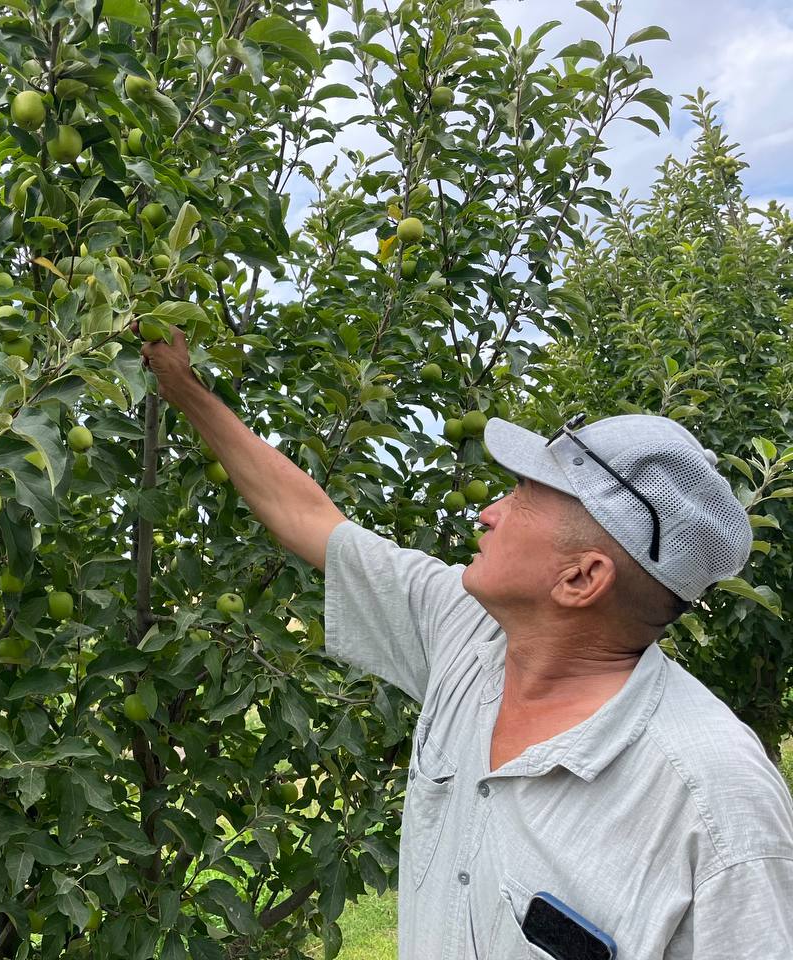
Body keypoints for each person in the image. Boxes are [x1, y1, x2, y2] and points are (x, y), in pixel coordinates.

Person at [136, 321, 793, 959]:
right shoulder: (465, 633)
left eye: (524, 493)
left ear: (582, 576)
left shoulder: (712, 800)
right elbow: (308, 518)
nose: (490, 510)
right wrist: (185, 390)